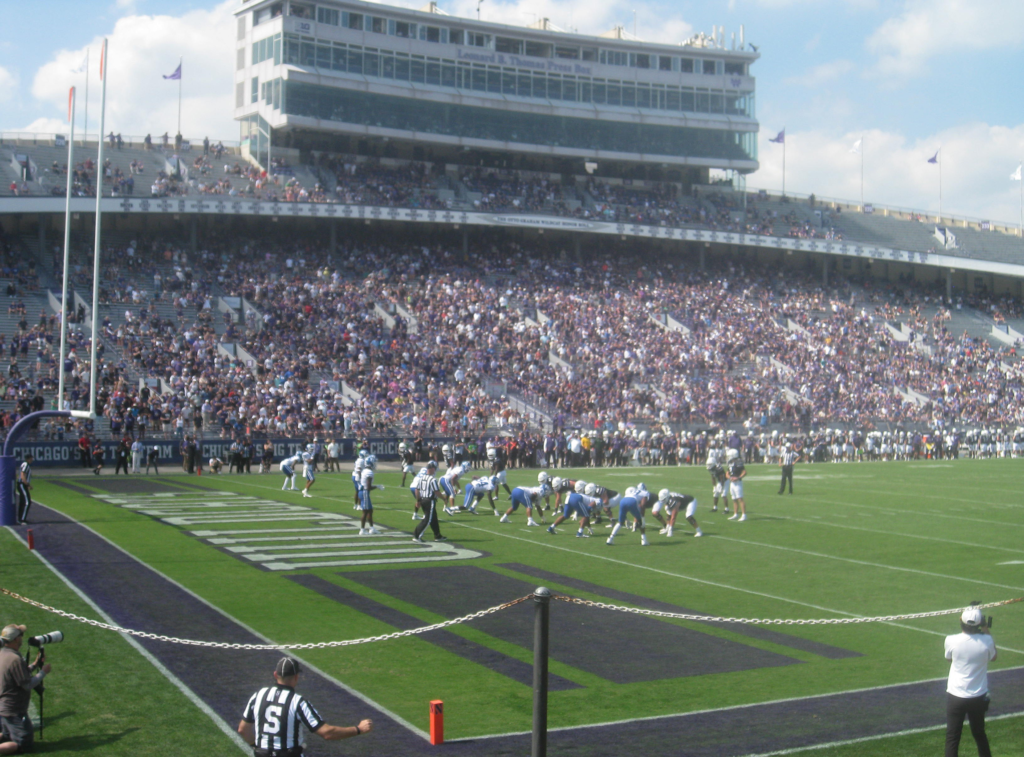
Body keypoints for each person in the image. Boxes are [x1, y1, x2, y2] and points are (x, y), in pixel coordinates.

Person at [238, 656, 372, 756]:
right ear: (296, 677)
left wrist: (256, 747)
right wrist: (358, 729)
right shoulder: (297, 702)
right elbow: (327, 733)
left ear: (275, 675)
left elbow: (243, 730)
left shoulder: (259, 695)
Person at [944, 606, 997, 757]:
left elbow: (949, 658)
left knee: (952, 737)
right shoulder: (987, 641)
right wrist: (985, 627)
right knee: (980, 734)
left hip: (956, 696)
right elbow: (993, 656)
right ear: (979, 623)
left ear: (961, 621)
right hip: (978, 696)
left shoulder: (950, 640)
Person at [0, 624, 52, 756]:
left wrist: (35, 665)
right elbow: (27, 684)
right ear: (15, 639)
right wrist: (43, 672)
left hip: (5, 708)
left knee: (6, 735)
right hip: (13, 709)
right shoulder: (15, 659)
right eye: (20, 635)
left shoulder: (4, 654)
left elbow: (19, 675)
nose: (22, 637)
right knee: (24, 745)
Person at [412, 463, 447, 543]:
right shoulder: (432, 479)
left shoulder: (421, 478)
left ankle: (437, 535)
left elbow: (417, 490)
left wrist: (418, 500)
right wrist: (444, 498)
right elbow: (436, 491)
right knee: (427, 519)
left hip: (423, 500)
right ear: (431, 469)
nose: (435, 471)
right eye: (434, 469)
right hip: (429, 501)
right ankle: (417, 535)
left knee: (434, 519)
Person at [358, 455, 382, 535]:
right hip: (364, 492)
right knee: (365, 512)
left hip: (362, 491)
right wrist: (377, 486)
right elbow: (368, 487)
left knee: (370, 511)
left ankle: (372, 528)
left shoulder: (365, 470)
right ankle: (362, 530)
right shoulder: (369, 472)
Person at [725, 449, 747, 522]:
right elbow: (727, 473)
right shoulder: (730, 462)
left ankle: (744, 515)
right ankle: (735, 514)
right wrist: (730, 477)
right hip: (732, 483)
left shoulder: (738, 462)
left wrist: (738, 477)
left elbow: (744, 472)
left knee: (740, 498)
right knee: (734, 499)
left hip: (738, 483)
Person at [15, 455, 32, 525]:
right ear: (29, 459)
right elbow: (22, 475)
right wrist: (27, 484)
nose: (32, 460)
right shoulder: (25, 464)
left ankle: (20, 518)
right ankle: (22, 519)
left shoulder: (24, 464)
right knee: (27, 502)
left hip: (22, 484)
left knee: (22, 502)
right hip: (22, 484)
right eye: (31, 459)